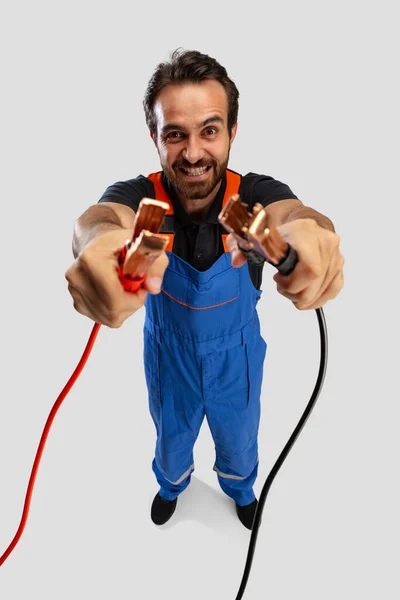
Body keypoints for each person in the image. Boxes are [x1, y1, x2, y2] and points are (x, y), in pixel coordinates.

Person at [65, 49, 344, 530]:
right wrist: (100, 244)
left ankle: (240, 488)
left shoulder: (253, 196)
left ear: (232, 132)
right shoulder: (142, 200)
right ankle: (172, 486)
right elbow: (99, 220)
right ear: (155, 137)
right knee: (171, 441)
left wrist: (309, 235)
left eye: (209, 130)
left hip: (235, 358)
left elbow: (296, 216)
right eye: (175, 134)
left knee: (239, 438)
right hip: (168, 356)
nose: (192, 153)